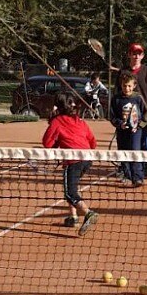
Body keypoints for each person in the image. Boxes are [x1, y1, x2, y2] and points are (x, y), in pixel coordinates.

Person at [42, 91, 99, 236]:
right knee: (72, 186)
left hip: (73, 160)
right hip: (87, 159)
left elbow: (47, 143)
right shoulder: (80, 121)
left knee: (69, 192)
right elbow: (93, 141)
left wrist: (53, 124)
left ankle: (88, 213)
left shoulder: (57, 121)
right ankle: (73, 217)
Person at [116, 43, 147, 153]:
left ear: (142, 56)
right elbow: (117, 93)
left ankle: (141, 169)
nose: (136, 56)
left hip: (142, 115)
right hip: (125, 113)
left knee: (143, 144)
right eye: (134, 54)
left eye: (139, 54)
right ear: (129, 55)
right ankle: (125, 168)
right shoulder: (123, 72)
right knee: (124, 144)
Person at [110, 74, 147, 187]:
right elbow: (112, 116)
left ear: (134, 86)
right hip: (122, 131)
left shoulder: (138, 98)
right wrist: (119, 124)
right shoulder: (116, 99)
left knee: (135, 152)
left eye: (129, 86)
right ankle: (128, 176)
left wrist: (139, 126)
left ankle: (138, 177)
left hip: (136, 131)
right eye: (124, 86)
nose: (126, 88)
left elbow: (146, 113)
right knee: (123, 153)